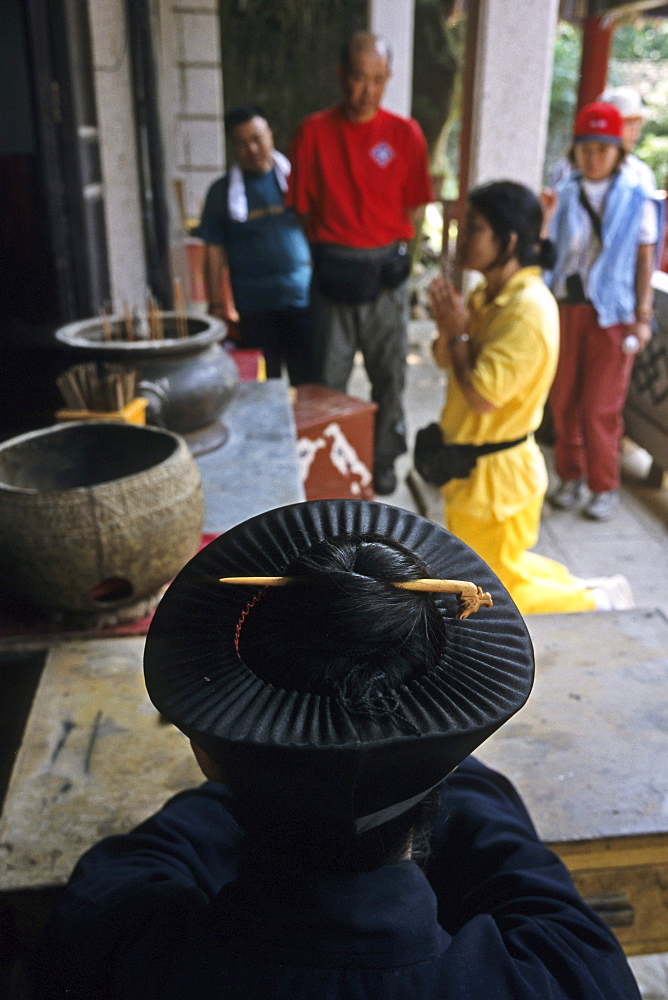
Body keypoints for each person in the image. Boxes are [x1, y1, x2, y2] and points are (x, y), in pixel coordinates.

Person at [32, 498, 641, 999]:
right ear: (452, 751)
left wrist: (269, 757)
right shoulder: (568, 975)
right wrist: (418, 744)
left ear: (207, 756)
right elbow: (519, 870)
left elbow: (149, 858)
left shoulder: (111, 944)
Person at [428, 181, 628, 615]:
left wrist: (459, 331)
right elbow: (445, 359)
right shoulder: (489, 293)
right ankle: (584, 586)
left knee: (496, 594)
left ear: (510, 240)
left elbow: (482, 395)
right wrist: (452, 329)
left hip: (498, 480)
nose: (463, 238)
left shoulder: (528, 310)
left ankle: (592, 601)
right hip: (471, 468)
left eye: (474, 229)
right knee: (499, 569)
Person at [287, 33, 434, 495]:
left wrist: (381, 248)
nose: (365, 91)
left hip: (384, 276)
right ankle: (329, 462)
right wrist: (339, 245)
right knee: (328, 381)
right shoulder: (314, 131)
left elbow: (413, 208)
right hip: (332, 272)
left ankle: (384, 458)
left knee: (389, 374)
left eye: (375, 80)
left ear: (387, 78)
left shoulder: (404, 133)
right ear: (340, 74)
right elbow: (303, 209)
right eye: (356, 78)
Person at [546, 102, 657, 521]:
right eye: (586, 148)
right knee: (563, 400)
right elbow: (552, 250)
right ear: (575, 150)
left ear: (618, 151)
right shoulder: (564, 191)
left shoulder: (637, 193)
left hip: (612, 313)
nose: (593, 157)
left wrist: (642, 316)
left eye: (602, 149)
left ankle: (603, 483)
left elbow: (645, 257)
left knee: (600, 406)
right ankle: (570, 477)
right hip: (565, 306)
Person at [199, 105, 314, 384]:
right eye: (242, 143)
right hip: (254, 307)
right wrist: (216, 305)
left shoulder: (296, 178)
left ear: (270, 135)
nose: (252, 149)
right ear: (233, 147)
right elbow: (213, 251)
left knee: (309, 383)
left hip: (303, 300)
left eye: (257, 138)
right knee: (263, 384)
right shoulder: (221, 192)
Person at [549, 85, 656, 194]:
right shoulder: (568, 169)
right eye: (628, 123)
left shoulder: (640, 172)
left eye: (637, 124)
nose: (634, 130)